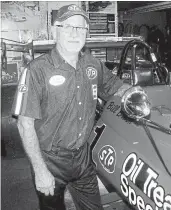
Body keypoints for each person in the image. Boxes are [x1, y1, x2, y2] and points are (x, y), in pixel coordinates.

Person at [12, 4, 130, 210]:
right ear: (55, 31)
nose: (74, 33)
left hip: (83, 158)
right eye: (67, 27)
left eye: (80, 28)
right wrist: (40, 170)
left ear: (87, 33)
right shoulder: (36, 71)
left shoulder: (93, 65)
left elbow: (117, 88)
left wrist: (136, 93)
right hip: (50, 160)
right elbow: (24, 124)